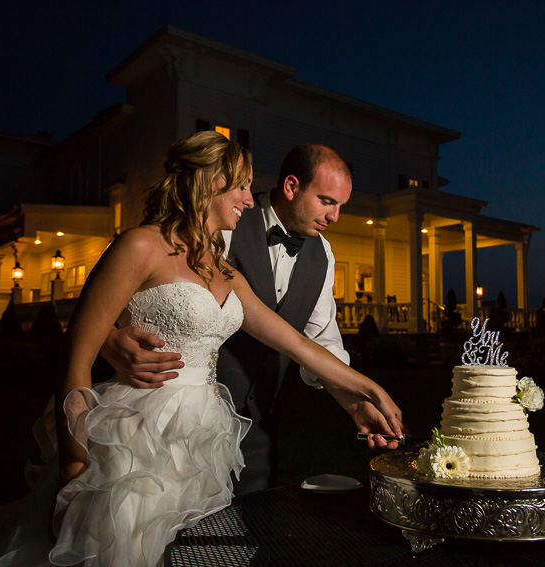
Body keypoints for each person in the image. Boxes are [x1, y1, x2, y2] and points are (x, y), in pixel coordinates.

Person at [0, 132, 406, 567]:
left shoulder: (224, 270)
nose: (248, 197)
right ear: (210, 182)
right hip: (136, 436)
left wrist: (369, 393)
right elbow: (76, 357)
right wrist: (75, 470)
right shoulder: (143, 244)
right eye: (241, 185)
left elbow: (301, 343)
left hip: (209, 442)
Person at [101, 143, 398, 494]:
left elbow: (316, 342)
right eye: (327, 201)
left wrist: (356, 399)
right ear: (291, 187)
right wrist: (108, 339)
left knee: (243, 532)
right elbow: (135, 288)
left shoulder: (323, 255)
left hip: (258, 425)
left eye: (340, 206)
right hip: (175, 412)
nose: (335, 217)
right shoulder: (222, 221)